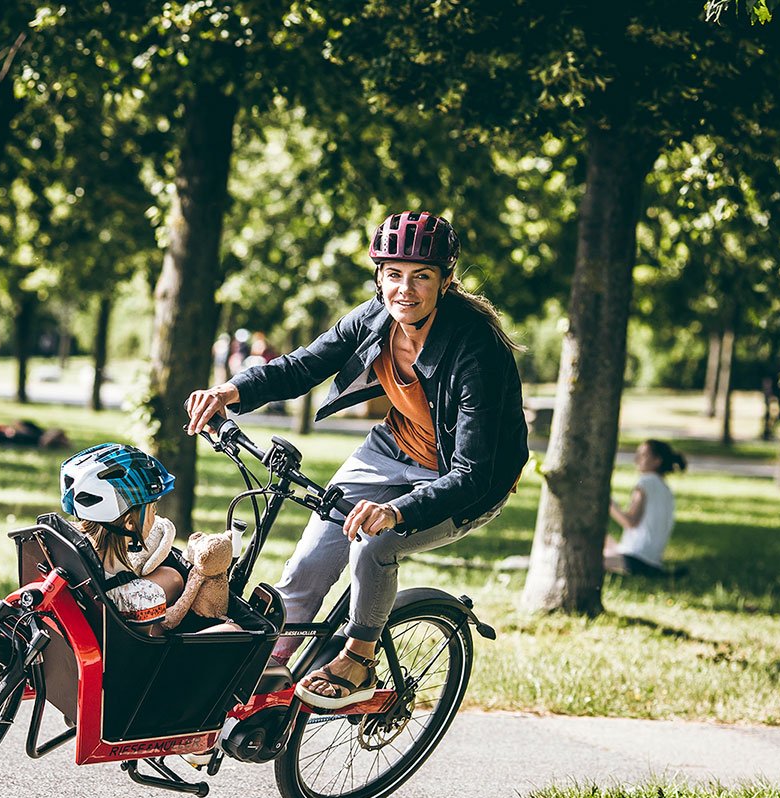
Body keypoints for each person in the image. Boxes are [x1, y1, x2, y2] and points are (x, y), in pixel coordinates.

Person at [184, 211, 528, 709]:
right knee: (311, 555)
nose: (404, 289)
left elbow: (472, 474)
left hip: (466, 479)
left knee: (375, 545)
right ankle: (274, 661)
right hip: (393, 449)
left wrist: (396, 511)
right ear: (379, 276)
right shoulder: (374, 318)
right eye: (393, 275)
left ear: (446, 281)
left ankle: (360, 657)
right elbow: (303, 365)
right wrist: (231, 390)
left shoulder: (477, 350)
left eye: (422, 276)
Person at [61, 443, 184, 635]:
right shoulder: (139, 599)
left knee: (172, 577)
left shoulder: (65, 549)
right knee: (231, 628)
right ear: (129, 523)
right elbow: (143, 650)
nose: (155, 516)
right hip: (123, 650)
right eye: (152, 509)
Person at [604, 440, 686, 576]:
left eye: (643, 455)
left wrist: (607, 502)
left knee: (588, 559)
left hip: (635, 558)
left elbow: (630, 522)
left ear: (657, 461)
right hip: (651, 559)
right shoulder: (665, 488)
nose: (636, 459)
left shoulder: (645, 482)